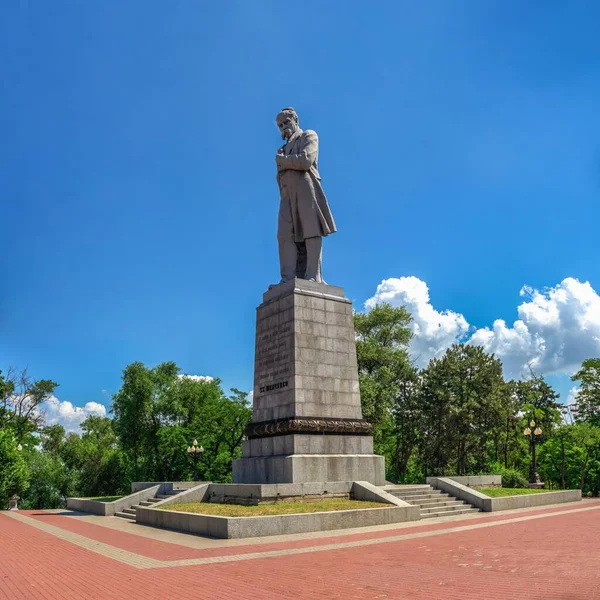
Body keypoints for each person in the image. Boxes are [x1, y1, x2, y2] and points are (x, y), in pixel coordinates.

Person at [274, 107, 336, 284]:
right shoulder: (282, 149)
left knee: (311, 230)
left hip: (306, 187)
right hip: (286, 196)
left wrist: (283, 161)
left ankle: (313, 276)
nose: (284, 127)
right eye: (280, 125)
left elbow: (305, 160)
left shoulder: (308, 135)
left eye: (286, 122)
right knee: (284, 235)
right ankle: (288, 278)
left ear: (295, 120)